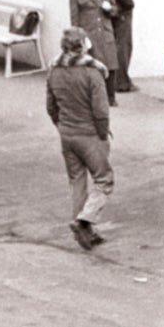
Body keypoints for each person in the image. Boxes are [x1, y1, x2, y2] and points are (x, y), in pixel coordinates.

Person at [44, 28, 113, 251]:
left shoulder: (54, 71)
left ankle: (84, 231)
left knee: (77, 180)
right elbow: (101, 110)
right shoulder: (92, 73)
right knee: (104, 180)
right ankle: (84, 220)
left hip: (67, 133)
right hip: (90, 134)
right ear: (82, 45)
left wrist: (61, 125)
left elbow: (51, 106)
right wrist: (103, 134)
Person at [67, 0, 119, 92]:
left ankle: (110, 96)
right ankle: (95, 96)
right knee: (93, 66)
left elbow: (115, 11)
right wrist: (80, 38)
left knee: (110, 64)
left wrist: (110, 8)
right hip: (89, 33)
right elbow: (74, 18)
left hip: (105, 32)